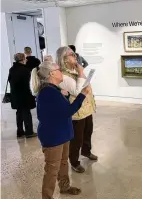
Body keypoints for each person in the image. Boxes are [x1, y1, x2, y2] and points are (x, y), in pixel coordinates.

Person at [30, 61, 90, 199]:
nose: (61, 72)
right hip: (53, 136)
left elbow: (59, 107)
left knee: (63, 163)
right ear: (51, 74)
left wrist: (66, 96)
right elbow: (67, 111)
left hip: (62, 133)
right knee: (52, 169)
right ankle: (47, 197)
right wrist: (82, 95)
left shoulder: (54, 89)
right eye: (58, 70)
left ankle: (65, 187)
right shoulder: (47, 92)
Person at [56, 46, 97, 173]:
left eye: (74, 54)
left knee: (88, 132)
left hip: (87, 108)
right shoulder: (63, 75)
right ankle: (74, 162)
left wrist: (80, 71)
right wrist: (80, 72)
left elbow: (86, 84)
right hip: (77, 112)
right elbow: (76, 91)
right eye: (71, 54)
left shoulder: (75, 71)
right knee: (76, 139)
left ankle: (86, 151)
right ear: (64, 59)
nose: (75, 56)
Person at [8, 53, 37, 138]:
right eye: (25, 58)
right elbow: (28, 84)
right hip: (24, 95)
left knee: (19, 113)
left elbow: (10, 80)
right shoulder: (25, 70)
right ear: (23, 59)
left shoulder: (12, 69)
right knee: (26, 113)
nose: (26, 60)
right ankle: (29, 132)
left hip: (15, 95)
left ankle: (20, 131)